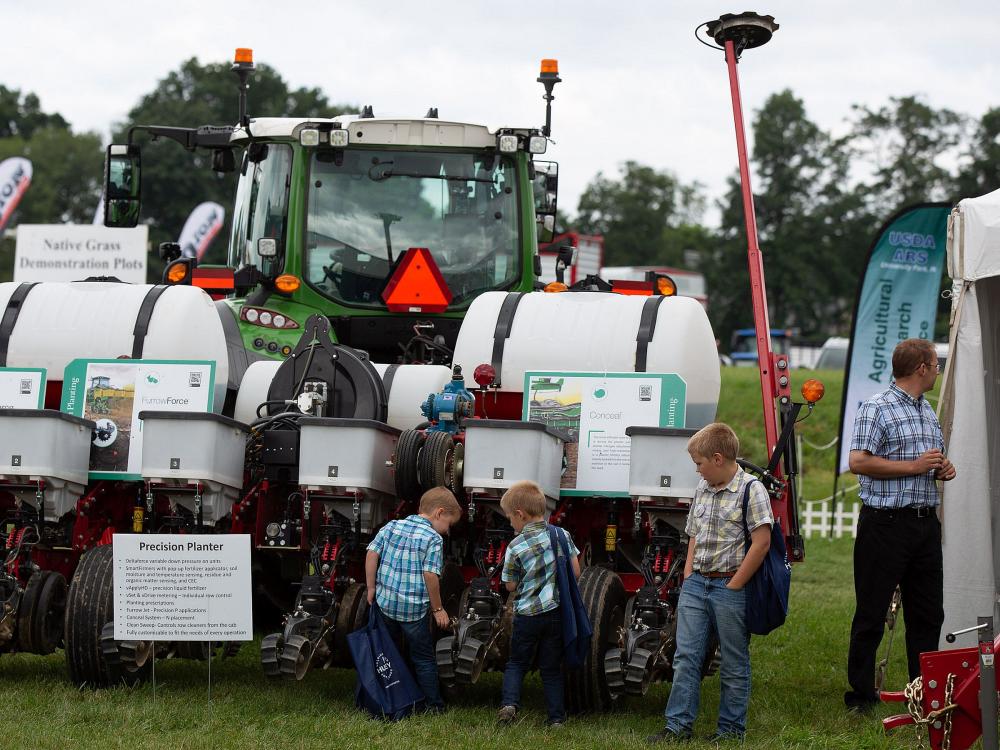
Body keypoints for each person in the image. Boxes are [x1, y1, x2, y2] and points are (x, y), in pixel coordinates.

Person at [844, 338, 957, 713]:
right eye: (935, 365)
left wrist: (944, 469)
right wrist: (912, 467)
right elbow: (858, 462)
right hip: (885, 525)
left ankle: (923, 694)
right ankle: (861, 696)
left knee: (928, 614)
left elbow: (928, 463)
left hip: (925, 525)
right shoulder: (876, 409)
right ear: (921, 368)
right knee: (872, 611)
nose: (938, 371)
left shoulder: (927, 412)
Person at [648, 422, 773, 744]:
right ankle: (677, 727)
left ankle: (730, 732)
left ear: (718, 458)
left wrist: (735, 585)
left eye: (699, 464)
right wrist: (688, 574)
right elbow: (693, 535)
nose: (698, 471)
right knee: (686, 656)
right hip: (696, 585)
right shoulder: (703, 488)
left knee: (733, 660)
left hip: (729, 587)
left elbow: (761, 543)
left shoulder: (751, 489)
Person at [365, 486, 462, 714]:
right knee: (423, 659)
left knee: (387, 653)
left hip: (385, 603)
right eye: (449, 524)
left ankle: (392, 697)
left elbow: (371, 554)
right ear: (439, 513)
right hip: (413, 612)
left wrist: (371, 588)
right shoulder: (433, 539)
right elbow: (430, 575)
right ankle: (433, 705)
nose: (447, 531)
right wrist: (438, 609)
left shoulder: (392, 526)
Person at [496, 480, 581, 728]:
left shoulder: (515, 545)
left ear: (520, 514)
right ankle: (556, 718)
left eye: (510, 518)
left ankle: (510, 704)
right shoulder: (561, 535)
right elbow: (575, 572)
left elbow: (510, 585)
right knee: (551, 668)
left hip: (526, 615)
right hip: (555, 614)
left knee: (517, 662)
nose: (511, 522)